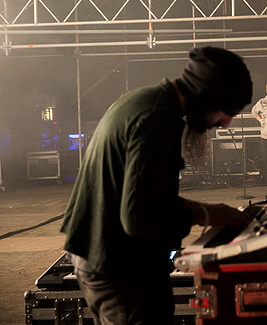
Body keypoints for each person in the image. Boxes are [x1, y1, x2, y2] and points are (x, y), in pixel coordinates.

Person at [61, 46, 253, 324]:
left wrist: (208, 210)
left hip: (105, 256)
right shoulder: (156, 119)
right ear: (207, 96)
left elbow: (145, 197)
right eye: (226, 111)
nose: (225, 124)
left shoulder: (149, 101)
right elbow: (139, 216)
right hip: (119, 266)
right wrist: (204, 215)